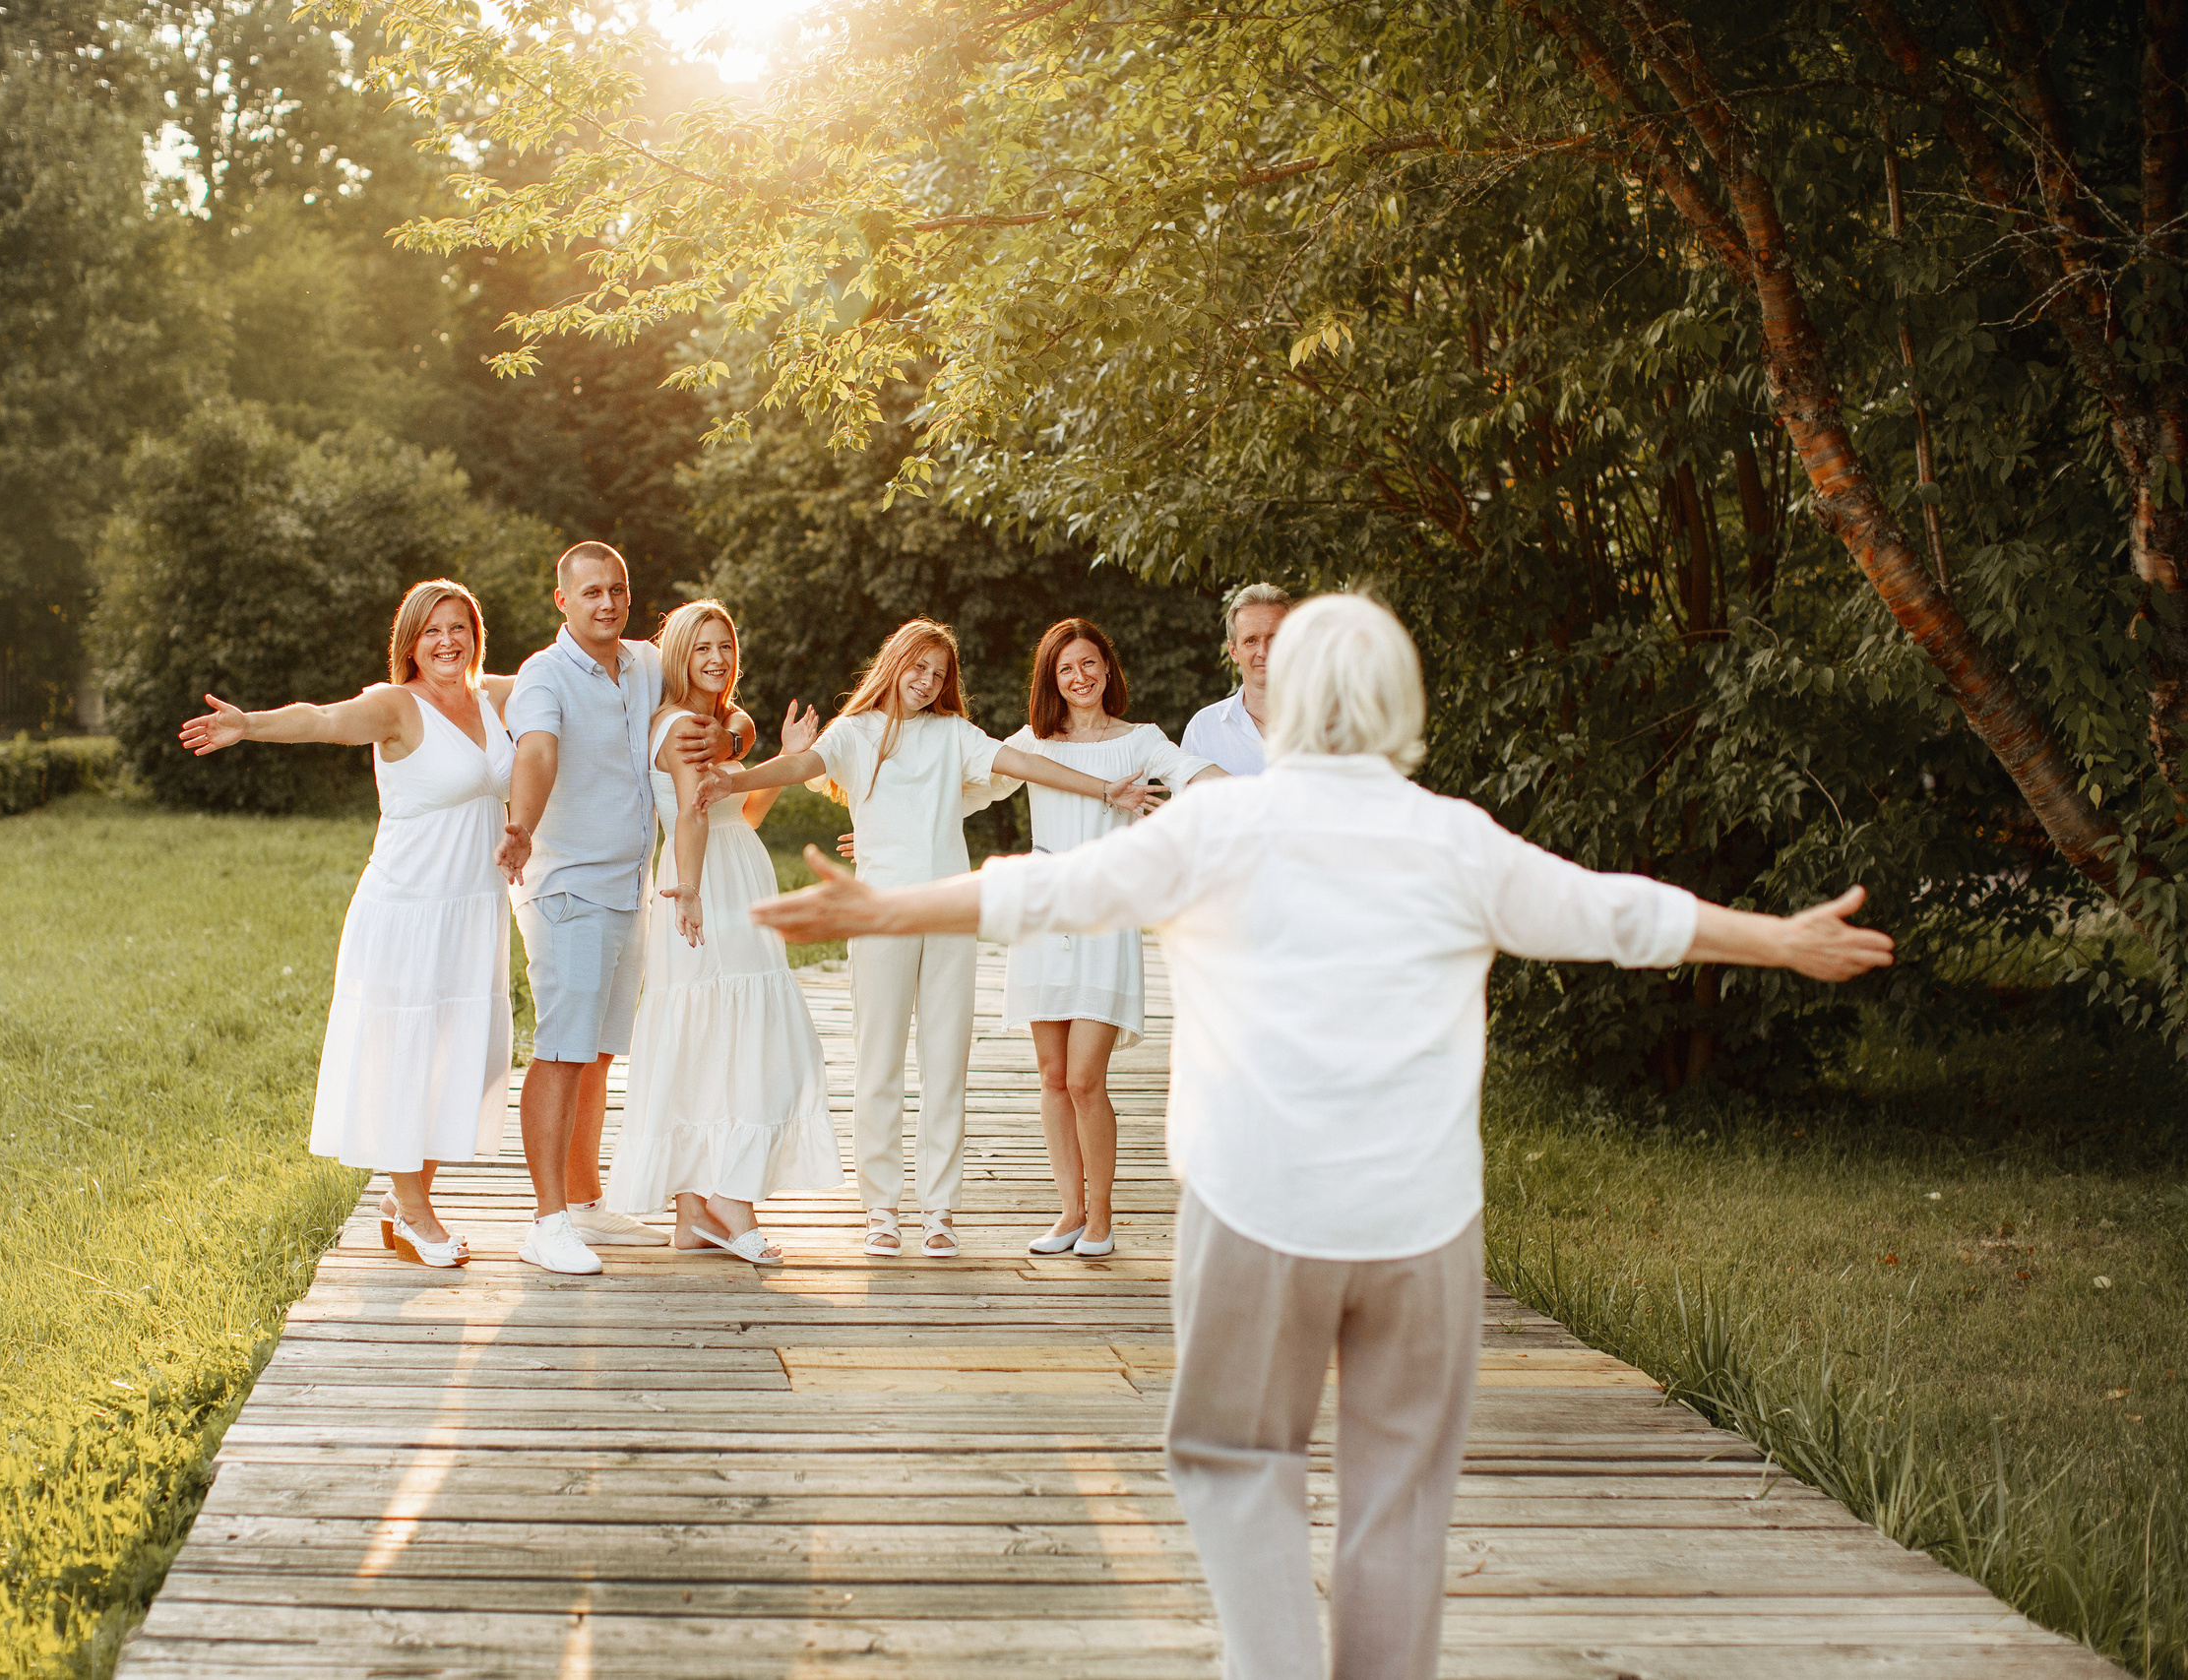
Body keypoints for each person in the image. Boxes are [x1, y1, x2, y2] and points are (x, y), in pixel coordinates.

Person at [749, 592, 1894, 1680]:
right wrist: (1779, 939)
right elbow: (1618, 913)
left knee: (1239, 1462)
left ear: (1280, 696)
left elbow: (1043, 894)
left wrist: (878, 907)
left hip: (1258, 1212)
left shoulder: (1223, 826)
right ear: (1403, 701)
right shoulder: (1454, 839)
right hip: (1421, 1231)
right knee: (1399, 1493)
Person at [720, 618, 1158, 1260]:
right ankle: (882, 1210)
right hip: (878, 917)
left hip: (950, 916)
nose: (927, 681)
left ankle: (938, 1209)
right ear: (894, 662)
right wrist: (730, 779)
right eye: (918, 667)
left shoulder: (955, 734)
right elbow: (798, 765)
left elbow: (1027, 762)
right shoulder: (856, 733)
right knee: (879, 1066)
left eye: (938, 673)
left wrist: (1104, 789)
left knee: (945, 1062)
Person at [176, 580, 522, 1269]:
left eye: (459, 627)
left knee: (453, 1052)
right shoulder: (395, 704)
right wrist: (251, 724)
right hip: (409, 910)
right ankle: (416, 1212)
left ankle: (403, 1202)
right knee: (409, 1052)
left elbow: (572, 670)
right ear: (410, 644)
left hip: (474, 908)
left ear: (476, 635)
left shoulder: (495, 698)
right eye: (432, 631)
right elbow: (322, 718)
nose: (448, 641)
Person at [496, 542, 732, 1276]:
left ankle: (584, 1197)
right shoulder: (544, 675)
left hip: (630, 887)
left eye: (619, 590)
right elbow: (536, 752)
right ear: (562, 599)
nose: (607, 602)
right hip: (566, 886)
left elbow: (711, 691)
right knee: (563, 1048)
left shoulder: (639, 663)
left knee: (597, 1051)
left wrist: (736, 731)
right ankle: (546, 1222)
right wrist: (522, 825)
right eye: (592, 591)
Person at [602, 599, 844, 1264]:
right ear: (679, 655)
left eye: (725, 646)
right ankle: (731, 1202)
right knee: (731, 1035)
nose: (716, 658)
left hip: (736, 872)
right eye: (702, 647)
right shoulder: (680, 725)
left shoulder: (717, 725)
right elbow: (688, 814)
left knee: (722, 1036)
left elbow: (743, 811)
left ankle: (694, 1212)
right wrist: (687, 889)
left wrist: (787, 757)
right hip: (702, 884)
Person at [1002, 618, 1224, 1260]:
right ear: (1053, 678)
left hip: (1105, 918)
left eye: (1089, 663)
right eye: (1066, 668)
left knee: (1083, 1078)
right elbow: (968, 778)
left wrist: (1249, 797)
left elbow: (1193, 772)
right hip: (1043, 914)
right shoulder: (1033, 742)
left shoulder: (1141, 740)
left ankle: (1101, 1214)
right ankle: (1068, 1209)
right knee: (1050, 1074)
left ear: (1107, 667)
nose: (1080, 676)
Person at [1180, 582, 1291, 776]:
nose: (1263, 652)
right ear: (1233, 651)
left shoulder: (1329, 723)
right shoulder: (1203, 729)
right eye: (1251, 640)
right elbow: (1187, 805)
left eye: (1274, 638)